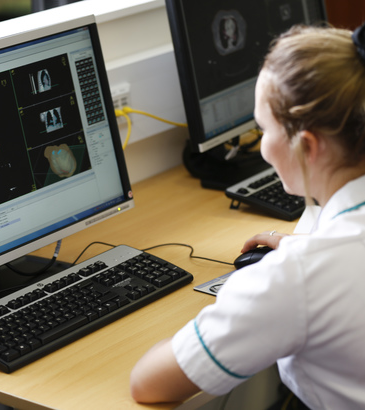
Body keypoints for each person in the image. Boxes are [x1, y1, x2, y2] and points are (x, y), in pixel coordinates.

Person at [130, 23, 365, 409]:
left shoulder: (298, 277)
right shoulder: (320, 259)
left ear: (307, 147)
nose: (263, 146)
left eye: (264, 128)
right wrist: (313, 250)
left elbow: (147, 384)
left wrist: (245, 302)